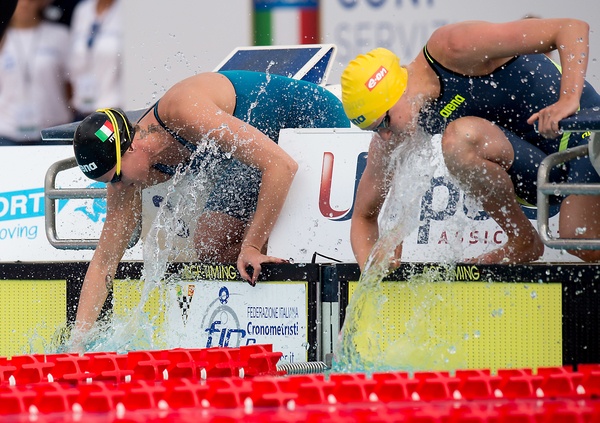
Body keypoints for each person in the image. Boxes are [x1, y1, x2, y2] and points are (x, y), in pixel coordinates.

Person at [71, 70, 351, 340]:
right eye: (109, 182)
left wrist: (252, 245)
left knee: (267, 242)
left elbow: (281, 165)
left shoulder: (182, 112)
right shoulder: (124, 177)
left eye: (117, 177)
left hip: (311, 120)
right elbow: (104, 263)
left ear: (130, 146)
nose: (118, 188)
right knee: (212, 243)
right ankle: (273, 325)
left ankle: (314, 323)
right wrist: (77, 343)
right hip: (257, 145)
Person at [341, 18, 600, 271]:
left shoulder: (452, 47)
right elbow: (363, 216)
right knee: (459, 140)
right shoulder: (400, 126)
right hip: (539, 170)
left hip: (584, 139)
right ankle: (523, 239)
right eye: (375, 130)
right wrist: (374, 269)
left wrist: (568, 99)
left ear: (398, 91)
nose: (385, 136)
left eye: (384, 123)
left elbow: (571, 29)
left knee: (581, 241)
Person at [0, 0, 72, 143]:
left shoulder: (60, 35)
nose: (25, 4)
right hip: (7, 130)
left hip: (53, 129)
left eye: (30, 0)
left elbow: (70, 82)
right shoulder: (3, 37)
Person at [68, 0, 121, 120]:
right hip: (82, 112)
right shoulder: (82, 10)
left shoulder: (124, 10)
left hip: (112, 113)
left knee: (103, 138)